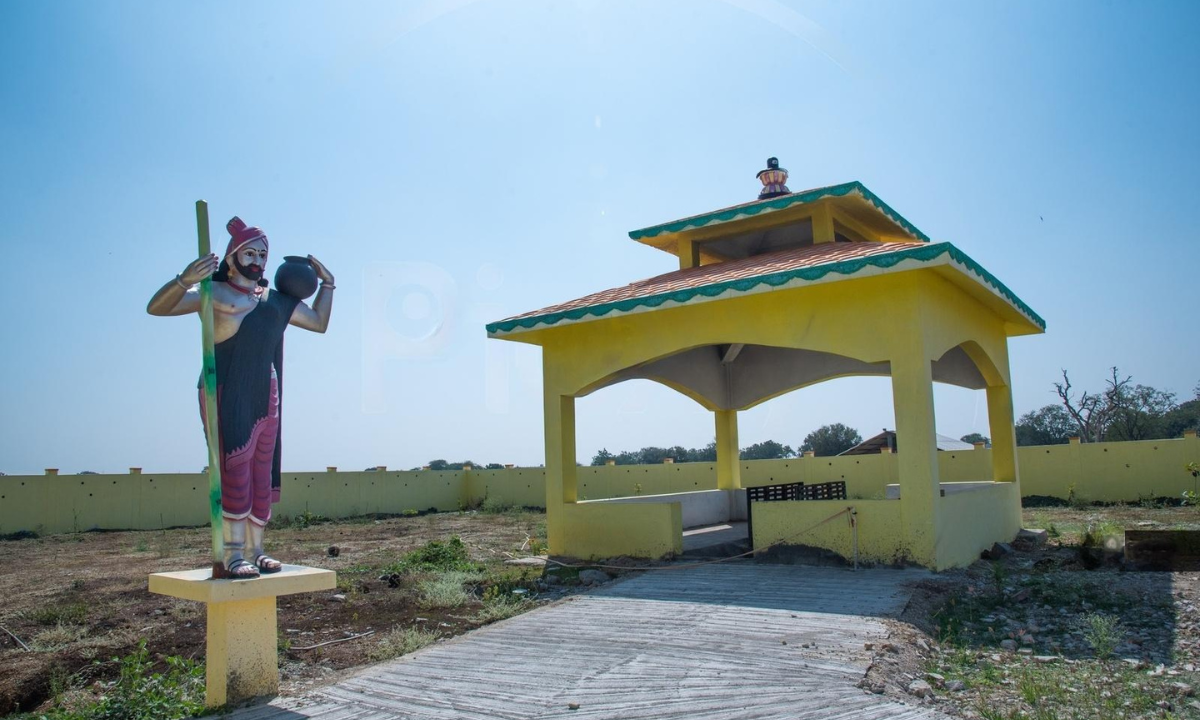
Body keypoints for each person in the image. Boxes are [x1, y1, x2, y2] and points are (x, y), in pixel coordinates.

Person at [147, 217, 334, 578]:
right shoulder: (213, 294)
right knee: (234, 466)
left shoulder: (277, 302)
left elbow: (318, 323)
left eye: (264, 254)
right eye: (250, 252)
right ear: (231, 257)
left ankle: (256, 549)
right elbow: (158, 307)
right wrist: (185, 279)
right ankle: (232, 553)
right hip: (227, 388)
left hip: (266, 391)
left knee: (260, 471)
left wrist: (328, 283)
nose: (258, 260)